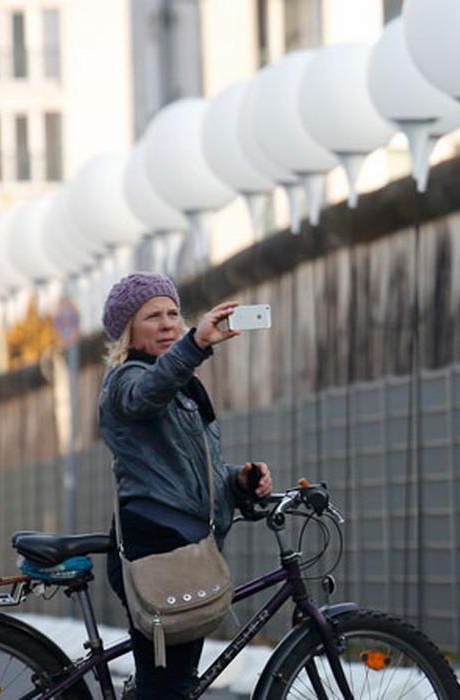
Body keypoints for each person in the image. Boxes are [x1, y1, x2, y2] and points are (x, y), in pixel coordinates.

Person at [98, 272, 273, 698]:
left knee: (171, 685)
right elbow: (146, 394)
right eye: (152, 316)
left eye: (173, 313)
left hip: (183, 548)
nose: (167, 324)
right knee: (168, 688)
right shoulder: (126, 381)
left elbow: (190, 477)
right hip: (157, 550)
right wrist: (194, 345)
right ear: (128, 331)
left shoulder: (182, 388)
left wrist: (239, 480)